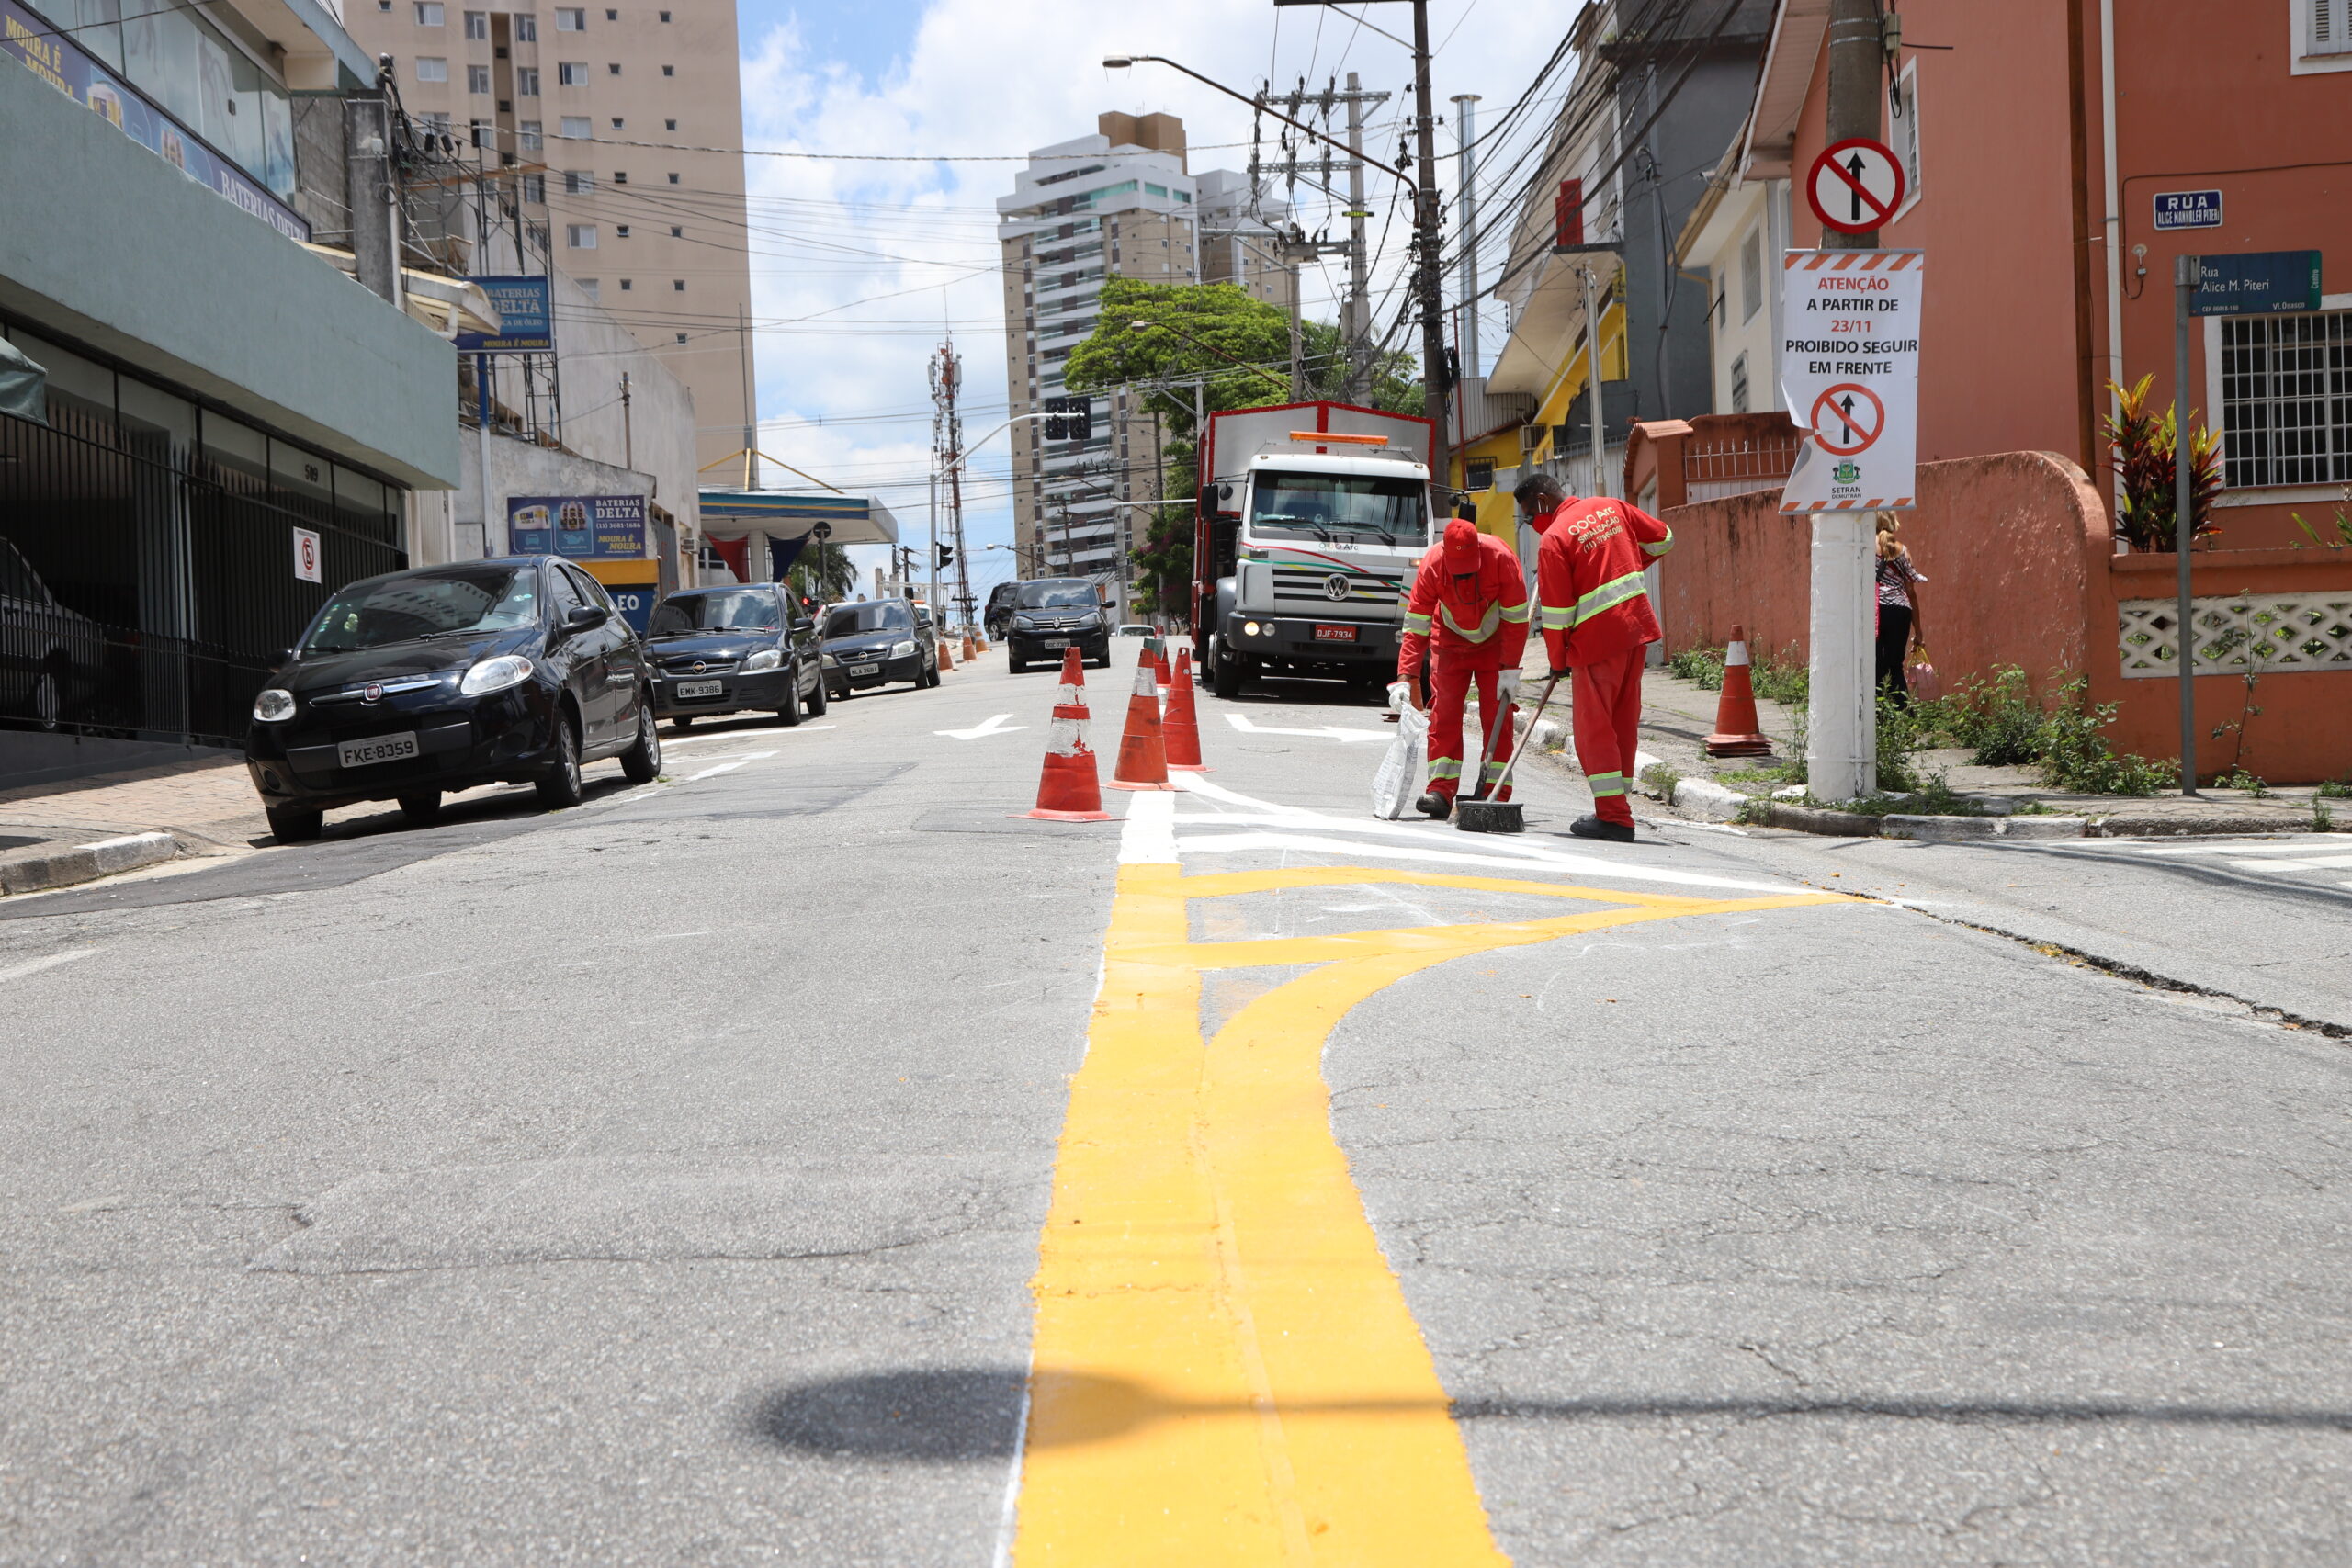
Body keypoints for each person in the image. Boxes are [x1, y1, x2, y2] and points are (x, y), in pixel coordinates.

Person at [1523, 473, 1674, 842]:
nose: (1532, 525)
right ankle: (1617, 804)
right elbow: (1664, 538)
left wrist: (1557, 661)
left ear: (1544, 501)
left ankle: (1614, 817)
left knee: (1594, 730)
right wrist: (1622, 562)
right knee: (1623, 722)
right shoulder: (1611, 508)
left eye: (1529, 516)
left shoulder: (1555, 539)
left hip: (1596, 643)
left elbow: (1557, 616)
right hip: (1635, 631)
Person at [1394, 516, 1532, 819]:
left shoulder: (1501, 558)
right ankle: (1440, 790)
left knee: (1497, 714)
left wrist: (1510, 669)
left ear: (1478, 551)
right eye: (1458, 572)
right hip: (1449, 641)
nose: (1464, 578)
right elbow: (1416, 623)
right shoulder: (1432, 563)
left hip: (1494, 643)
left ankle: (1494, 790)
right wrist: (1406, 676)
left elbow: (1516, 622)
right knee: (1444, 712)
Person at [1873, 512, 1928, 705]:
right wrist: (1918, 630)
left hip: (1876, 610)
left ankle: (1878, 716)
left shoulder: (1864, 547)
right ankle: (1904, 716)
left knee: (1875, 665)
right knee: (1895, 666)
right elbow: (1910, 591)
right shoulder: (1903, 550)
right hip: (1901, 610)